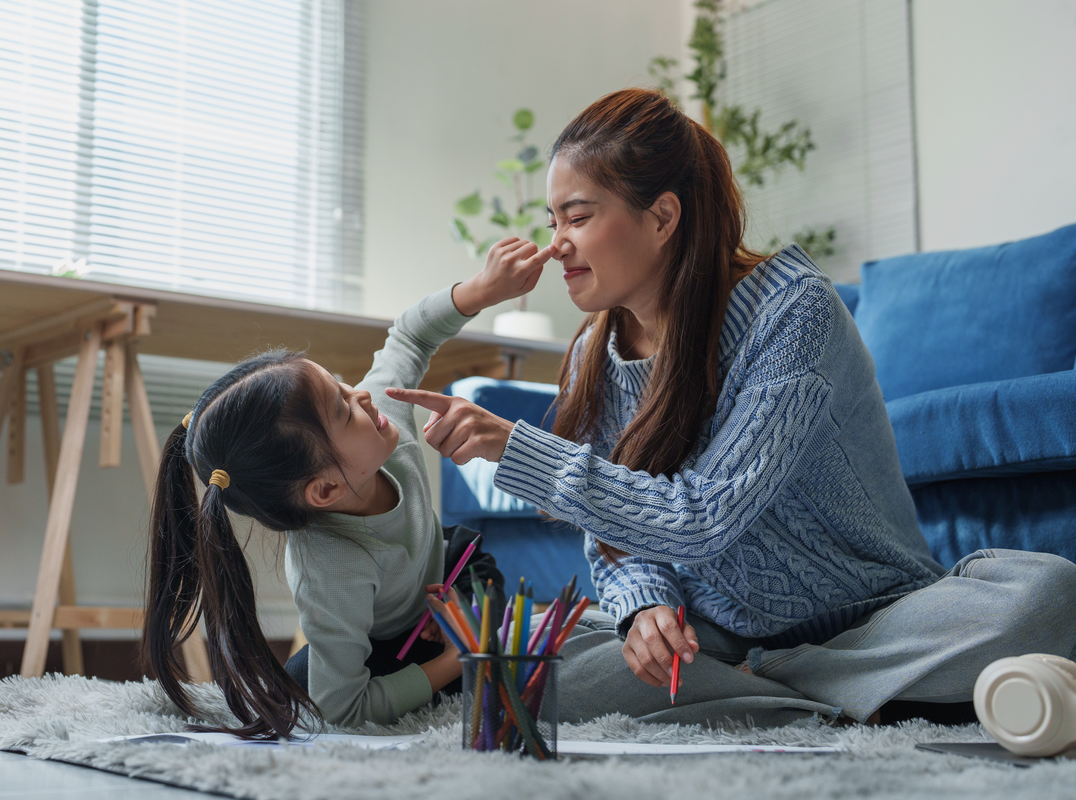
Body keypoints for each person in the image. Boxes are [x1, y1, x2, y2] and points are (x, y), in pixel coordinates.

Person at [389, 88, 1076, 727]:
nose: (555, 242)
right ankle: (832, 695)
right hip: (713, 629)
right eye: (553, 219)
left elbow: (703, 517)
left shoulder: (792, 310)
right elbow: (617, 535)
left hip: (875, 620)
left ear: (662, 217)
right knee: (527, 670)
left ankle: (775, 684)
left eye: (578, 216)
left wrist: (519, 449)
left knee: (1045, 596)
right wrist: (644, 605)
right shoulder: (590, 352)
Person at [141, 244, 552, 736]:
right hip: (389, 642)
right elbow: (344, 711)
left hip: (445, 575)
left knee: (471, 558)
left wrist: (481, 289)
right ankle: (472, 655)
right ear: (326, 490)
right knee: (304, 694)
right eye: (343, 407)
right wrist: (452, 661)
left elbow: (409, 336)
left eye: (341, 385)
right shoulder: (330, 568)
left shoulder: (382, 413)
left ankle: (474, 634)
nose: (361, 394)